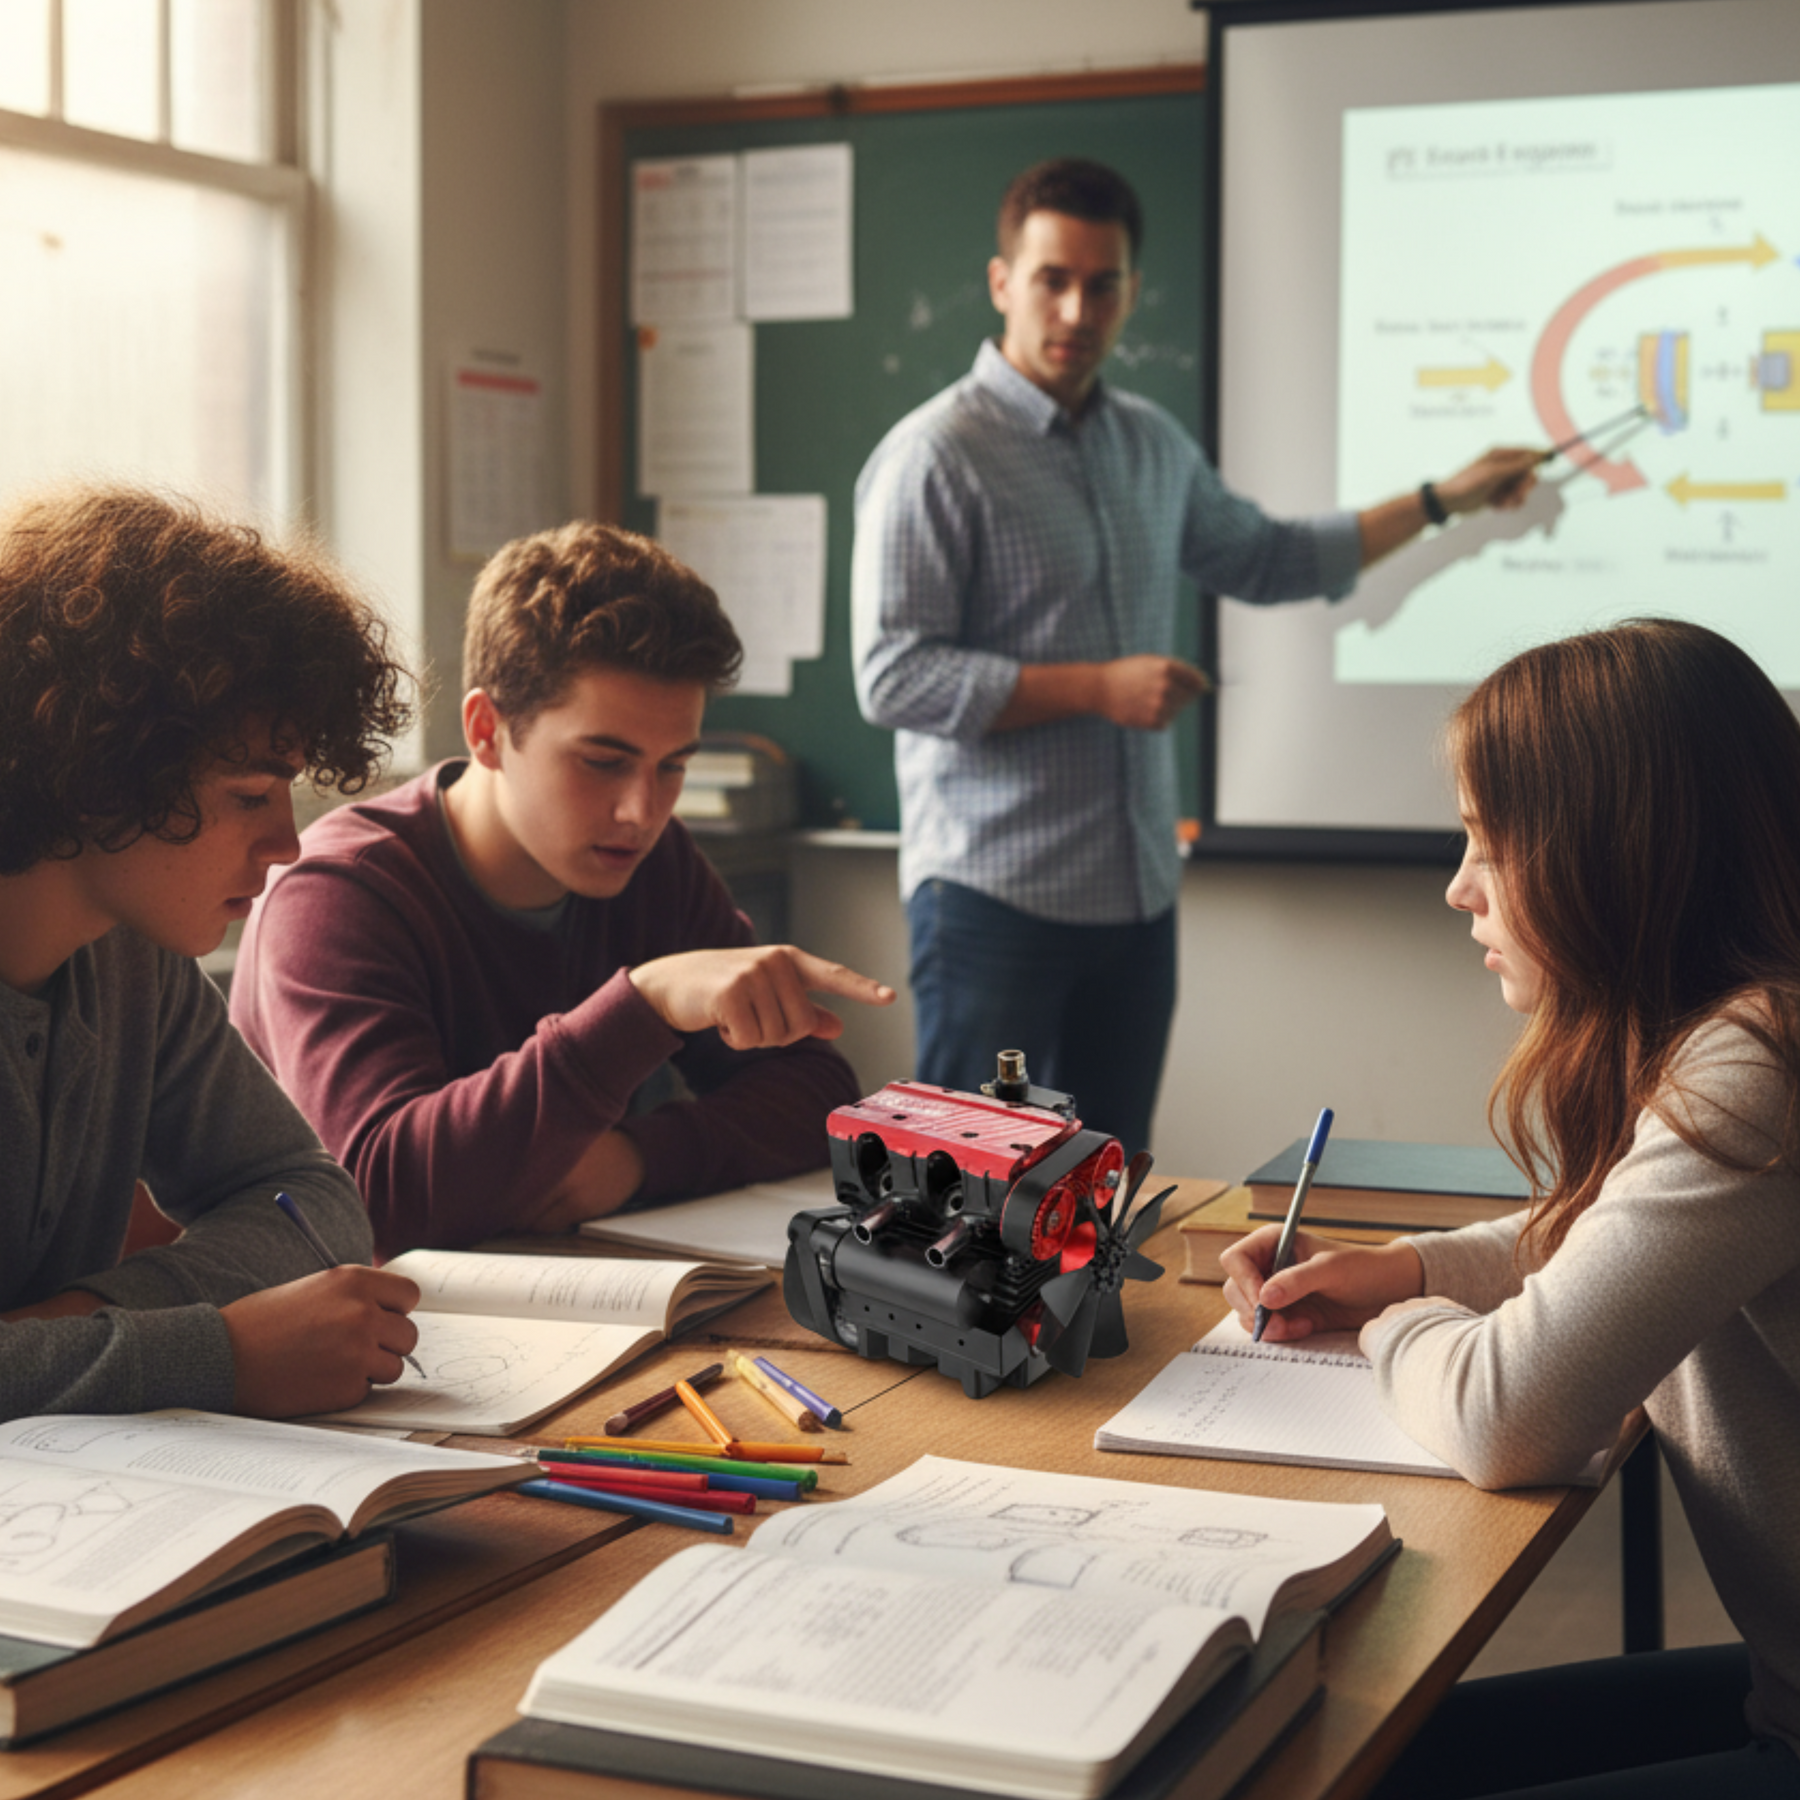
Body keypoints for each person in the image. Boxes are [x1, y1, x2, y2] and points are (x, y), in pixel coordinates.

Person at [852, 156, 1543, 1153]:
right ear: (1004, 282)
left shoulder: (1149, 443)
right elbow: (892, 676)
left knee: (1110, 1184)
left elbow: (1270, 557)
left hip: (1133, 897)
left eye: (1104, 283)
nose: (1078, 307)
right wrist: (1098, 687)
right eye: (1053, 278)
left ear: (1132, 291)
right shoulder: (935, 455)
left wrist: (1446, 498)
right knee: (974, 1195)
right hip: (991, 899)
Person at [1221, 619, 1800, 1797]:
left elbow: (1503, 1416)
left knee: (1325, 1766)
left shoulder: (1759, 1065)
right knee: (1346, 1752)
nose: (1457, 887)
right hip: (1781, 1685)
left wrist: (1383, 1331)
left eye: (1491, 843)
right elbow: (1623, 1236)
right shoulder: (1750, 1029)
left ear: (1612, 852)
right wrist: (1412, 1270)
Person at [231, 520, 893, 1259]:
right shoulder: (337, 894)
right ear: (486, 730)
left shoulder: (653, 864)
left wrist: (634, 1160)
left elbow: (814, 1096)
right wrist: (641, 1006)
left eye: (673, 765)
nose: (643, 812)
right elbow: (381, 1198)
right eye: (602, 762)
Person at [0, 483, 423, 1424]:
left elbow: (311, 1201)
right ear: (99, 774)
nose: (288, 844)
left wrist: (79, 1321)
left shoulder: (129, 960)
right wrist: (208, 1354)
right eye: (248, 795)